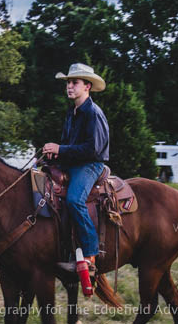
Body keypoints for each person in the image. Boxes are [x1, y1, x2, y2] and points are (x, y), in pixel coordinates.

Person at [42, 63, 109, 275]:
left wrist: (60, 149)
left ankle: (89, 255)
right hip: (74, 163)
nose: (70, 86)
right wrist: (54, 154)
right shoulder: (73, 112)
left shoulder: (92, 113)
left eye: (74, 83)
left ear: (87, 86)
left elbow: (93, 149)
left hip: (91, 164)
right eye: (68, 83)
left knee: (74, 199)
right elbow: (68, 144)